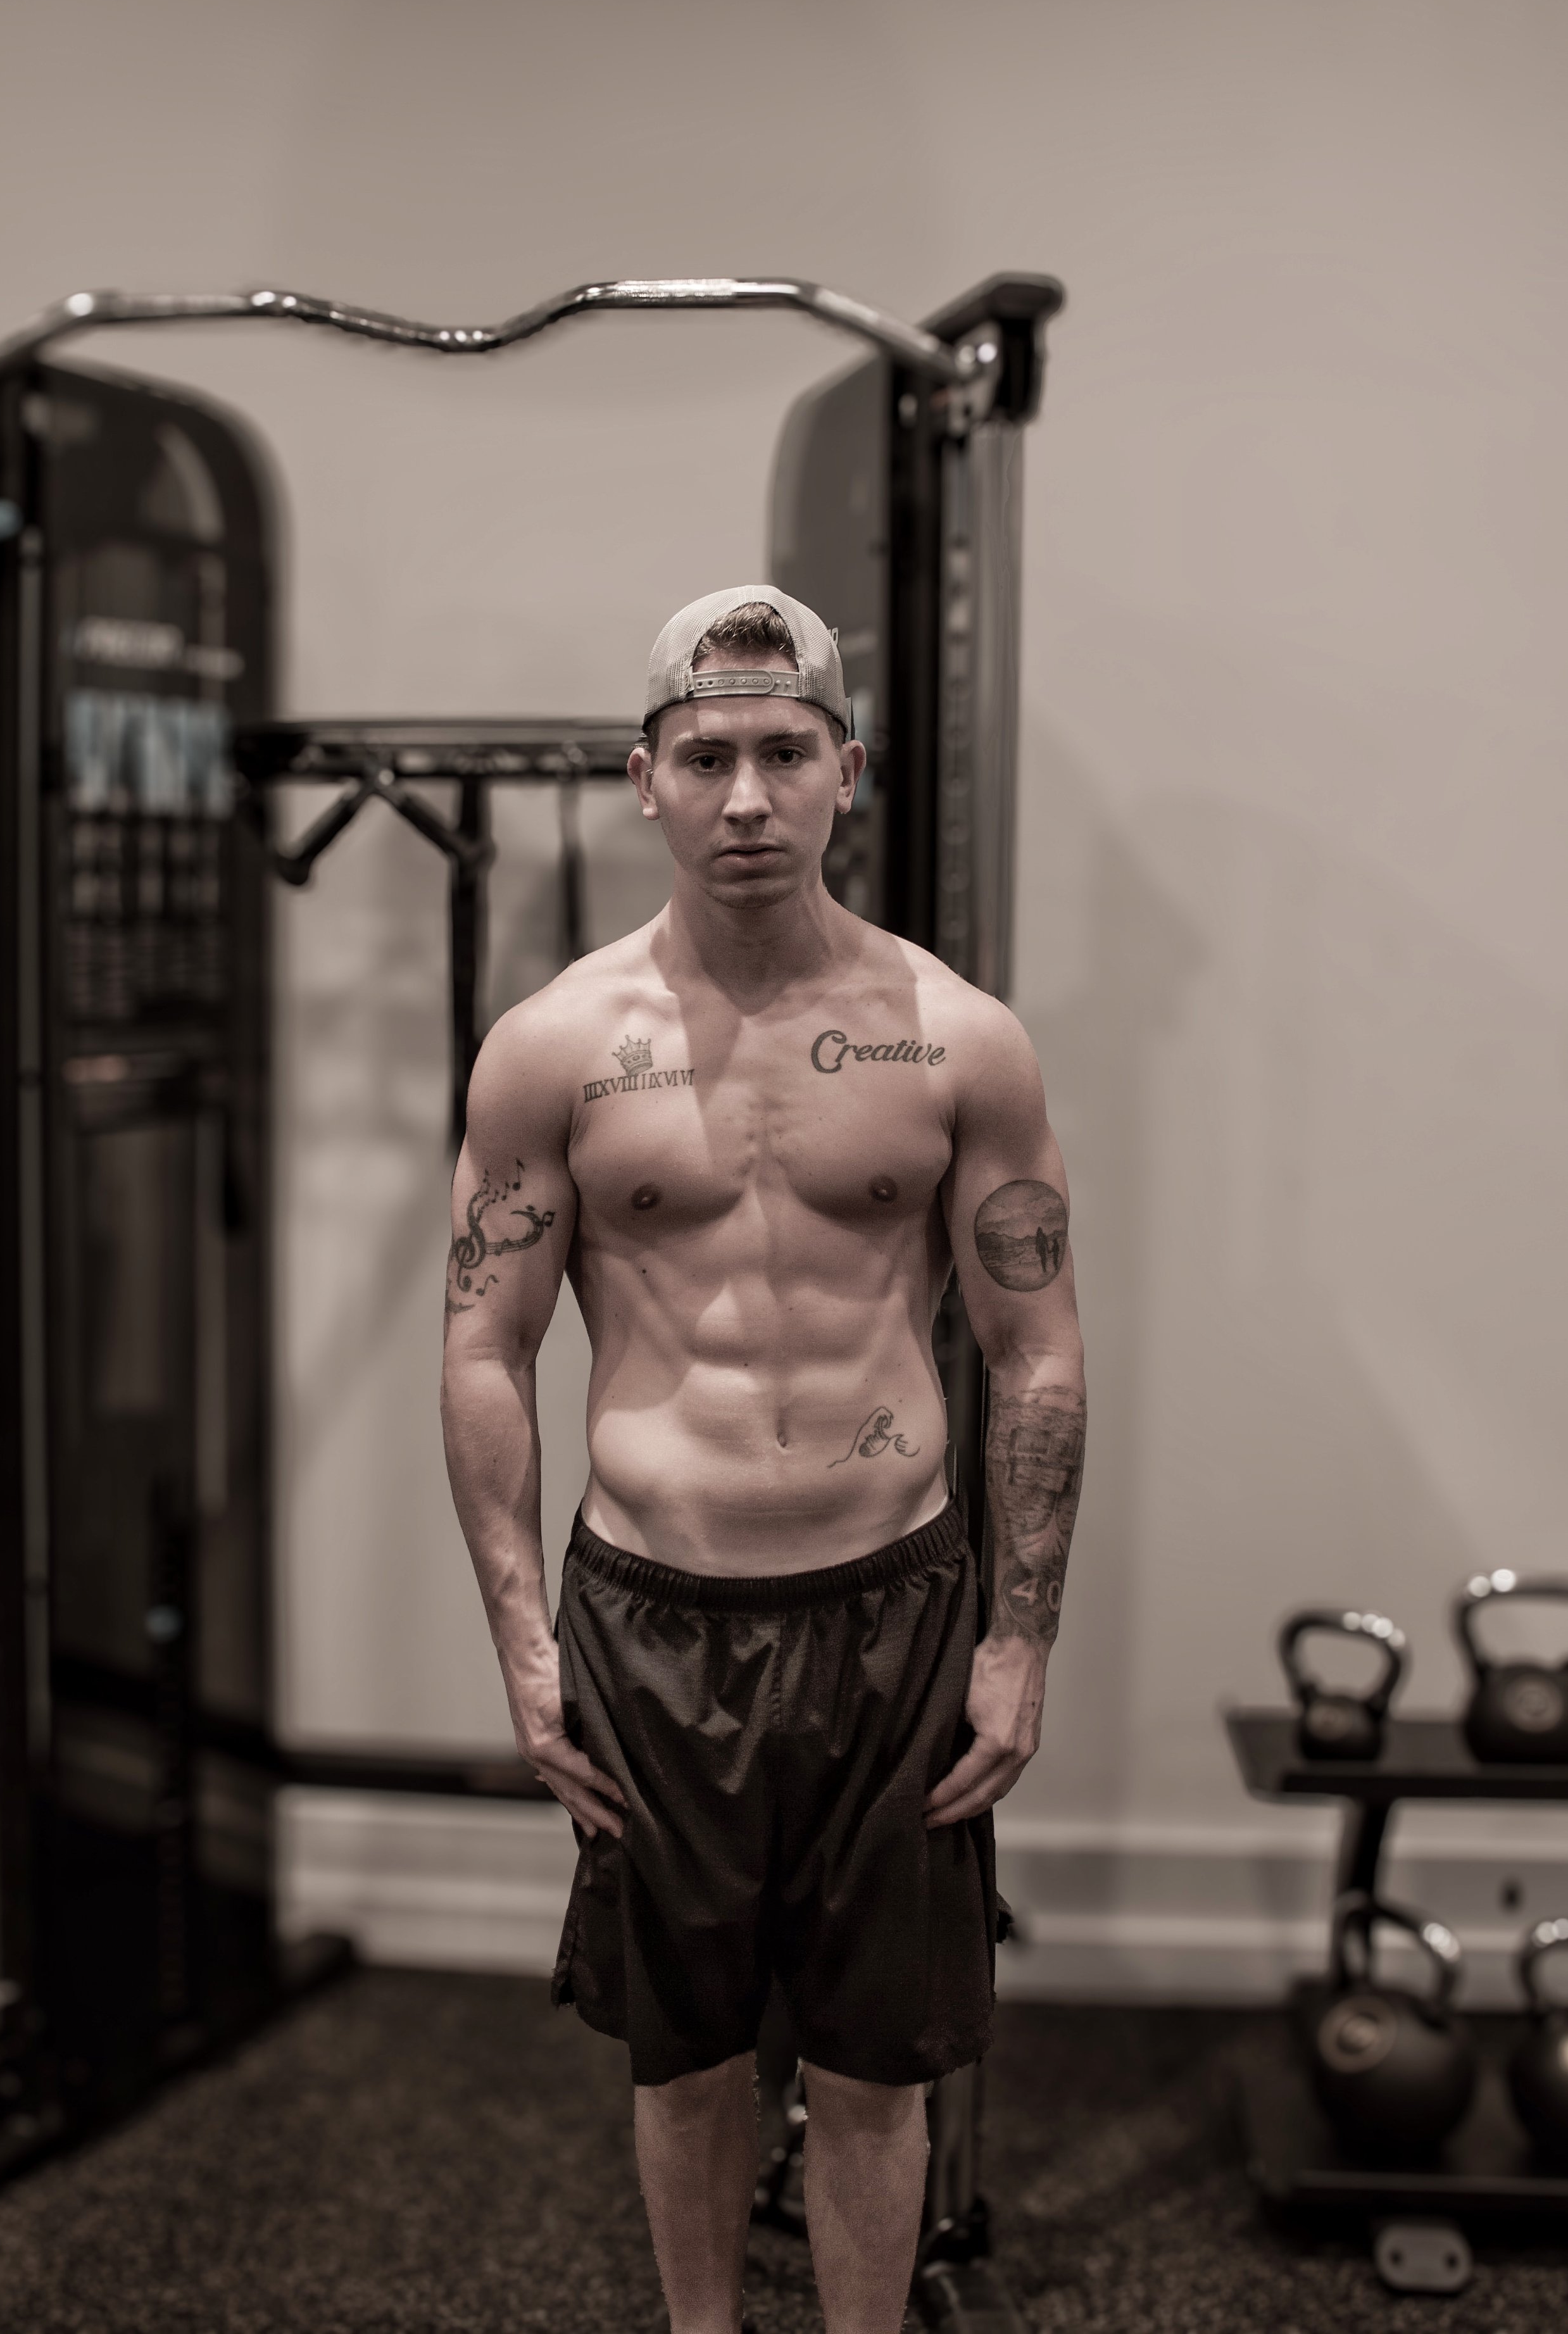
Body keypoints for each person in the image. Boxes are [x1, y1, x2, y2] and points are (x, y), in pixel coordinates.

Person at [441, 586, 1086, 2334]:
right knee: (688, 2056)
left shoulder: (958, 1039)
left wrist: (1018, 1640)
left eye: (786, 754)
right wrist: (523, 1643)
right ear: (642, 779)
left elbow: (1034, 1350)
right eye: (707, 756)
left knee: (879, 2065)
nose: (746, 797)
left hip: (896, 1610)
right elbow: (484, 1348)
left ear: (846, 774)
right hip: (653, 1619)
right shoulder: (553, 1047)